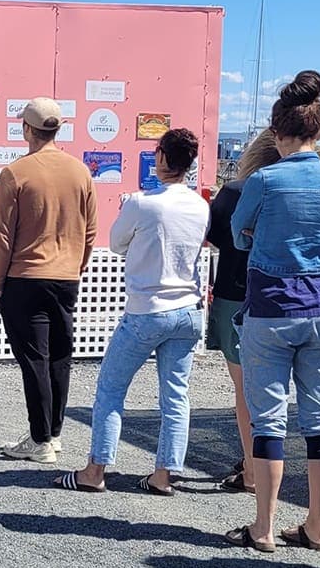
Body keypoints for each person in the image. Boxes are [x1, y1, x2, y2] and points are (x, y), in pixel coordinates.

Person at [225, 71, 320, 553]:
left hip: (273, 307)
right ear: (318, 131)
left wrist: (260, 240)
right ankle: (316, 525)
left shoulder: (265, 179)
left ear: (277, 133)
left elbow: (238, 233)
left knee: (269, 419)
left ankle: (264, 526)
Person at [54, 128, 209, 494]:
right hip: (189, 310)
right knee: (176, 396)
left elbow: (116, 243)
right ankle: (163, 475)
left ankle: (95, 470)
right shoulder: (200, 205)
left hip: (147, 310)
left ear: (162, 157)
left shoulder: (141, 203)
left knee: (111, 388)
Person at [0, 97, 98, 464]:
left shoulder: (15, 173)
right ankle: (53, 432)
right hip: (66, 276)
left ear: (27, 129)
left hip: (24, 276)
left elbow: (3, 236)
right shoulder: (80, 171)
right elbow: (90, 231)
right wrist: (76, 267)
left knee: (34, 358)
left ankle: (40, 439)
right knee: (59, 357)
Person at [206, 129, 280, 494]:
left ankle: (252, 469)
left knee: (245, 391)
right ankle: (257, 462)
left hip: (234, 295)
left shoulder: (235, 192)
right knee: (272, 391)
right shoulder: (286, 193)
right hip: (279, 297)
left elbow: (215, 237)